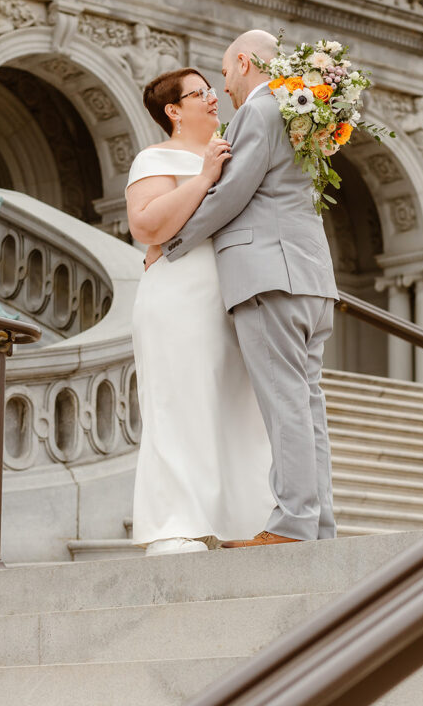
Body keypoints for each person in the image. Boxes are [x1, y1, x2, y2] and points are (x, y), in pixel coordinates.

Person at [161, 30, 338, 547]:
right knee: (307, 406)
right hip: (310, 279)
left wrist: (174, 242)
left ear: (244, 62)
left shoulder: (259, 111)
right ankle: (318, 526)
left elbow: (230, 193)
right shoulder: (304, 116)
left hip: (269, 277)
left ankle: (292, 525)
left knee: (286, 403)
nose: (226, 86)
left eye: (225, 73)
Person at [126, 67, 274, 555]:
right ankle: (175, 525)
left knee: (238, 405)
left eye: (213, 89)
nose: (214, 97)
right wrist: (206, 175)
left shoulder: (237, 148)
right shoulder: (156, 157)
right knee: (179, 402)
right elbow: (147, 226)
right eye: (200, 93)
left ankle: (245, 523)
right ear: (173, 110)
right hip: (178, 295)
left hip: (234, 293)